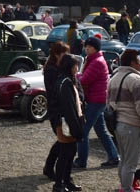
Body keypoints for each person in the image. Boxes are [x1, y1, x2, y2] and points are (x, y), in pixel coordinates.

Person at [108, 50, 140, 192]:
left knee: (123, 160)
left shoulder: (114, 78)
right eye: (139, 60)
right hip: (132, 125)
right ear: (132, 63)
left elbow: (109, 103)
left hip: (118, 124)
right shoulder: (136, 80)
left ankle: (123, 188)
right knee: (131, 163)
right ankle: (127, 189)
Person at [73, 36, 120, 169]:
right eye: (86, 47)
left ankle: (81, 161)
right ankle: (114, 157)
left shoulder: (97, 62)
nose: (86, 49)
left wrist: (74, 75)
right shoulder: (94, 60)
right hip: (98, 100)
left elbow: (84, 79)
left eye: (89, 47)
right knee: (101, 130)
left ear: (95, 48)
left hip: (96, 100)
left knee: (83, 131)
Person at [53, 53, 85, 192]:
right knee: (65, 154)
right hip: (66, 123)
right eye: (75, 65)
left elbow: (80, 98)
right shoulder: (65, 83)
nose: (77, 67)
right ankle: (58, 184)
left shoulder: (69, 80)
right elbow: (69, 108)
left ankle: (66, 181)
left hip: (69, 121)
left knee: (70, 153)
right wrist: (77, 129)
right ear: (69, 67)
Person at [43, 41, 71, 181]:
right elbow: (55, 92)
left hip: (60, 110)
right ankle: (54, 171)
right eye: (65, 54)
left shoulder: (57, 68)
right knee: (63, 141)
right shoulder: (52, 70)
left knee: (62, 141)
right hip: (57, 111)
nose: (67, 57)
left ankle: (49, 167)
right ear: (56, 54)